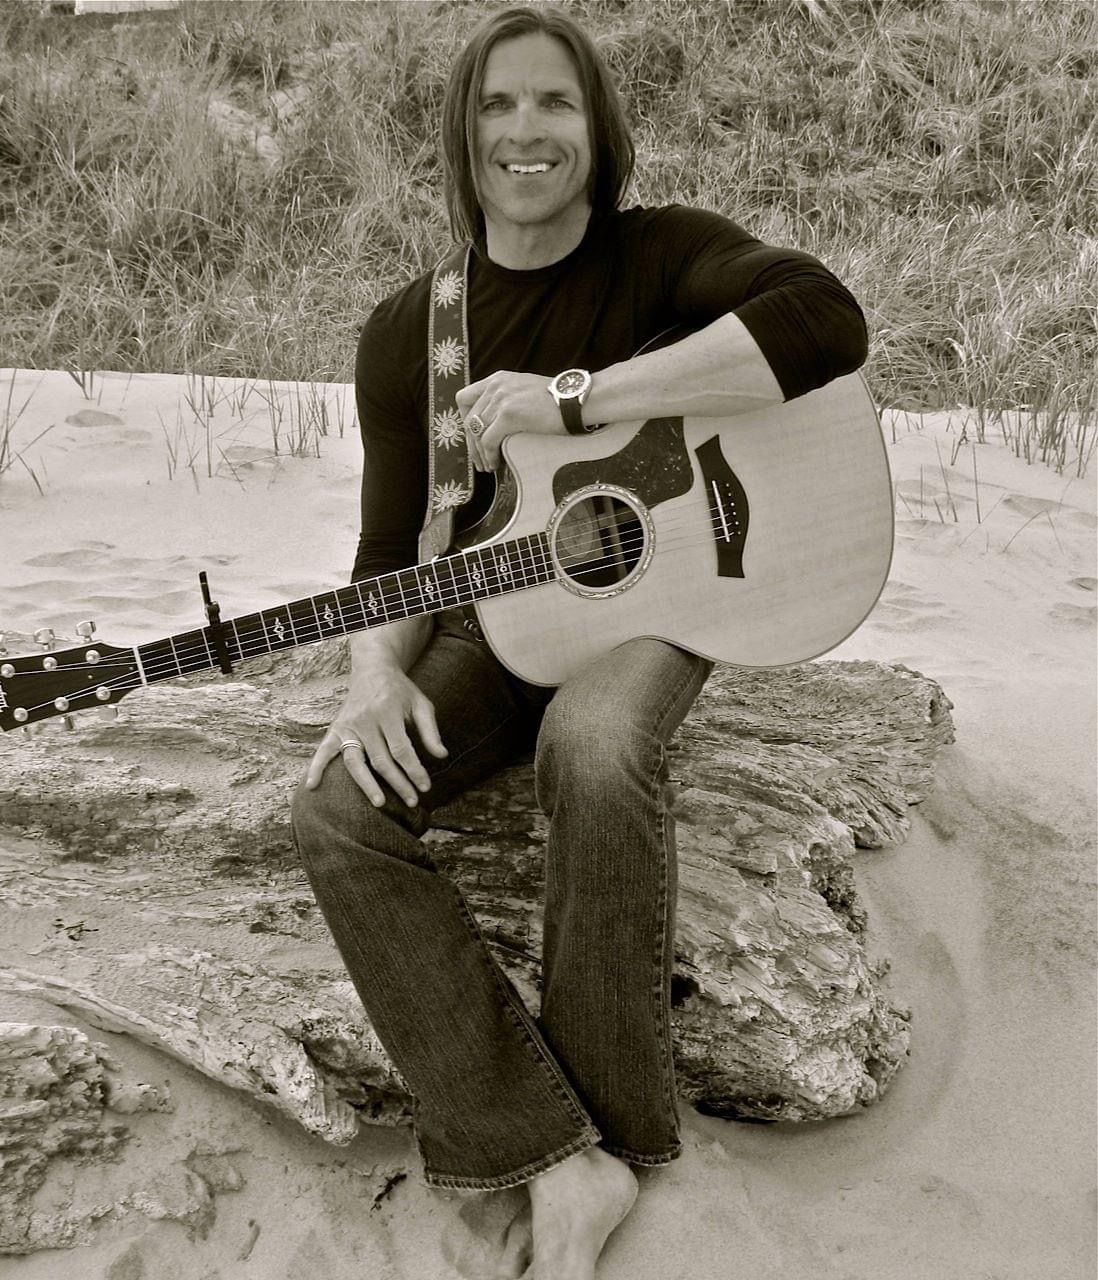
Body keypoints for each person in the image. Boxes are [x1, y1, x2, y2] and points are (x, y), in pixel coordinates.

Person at [291, 6, 867, 1276]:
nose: (526, 130)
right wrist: (374, 669)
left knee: (597, 746)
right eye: (497, 104)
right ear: (464, 134)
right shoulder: (414, 335)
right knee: (336, 808)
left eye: (554, 101)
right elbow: (392, 547)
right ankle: (556, 1153)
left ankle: (618, 1134)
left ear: (597, 130)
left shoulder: (660, 256)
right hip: (503, 612)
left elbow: (825, 320)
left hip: (668, 594)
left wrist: (582, 398)